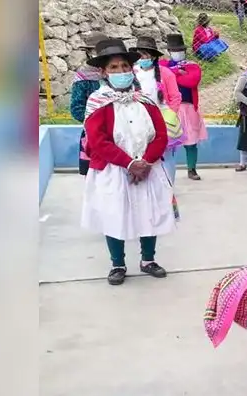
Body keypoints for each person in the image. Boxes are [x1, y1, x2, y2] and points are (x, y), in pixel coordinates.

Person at [80, 39, 176, 286]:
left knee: (149, 212)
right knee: (115, 215)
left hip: (148, 167)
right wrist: (129, 163)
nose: (121, 72)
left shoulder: (145, 99)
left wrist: (145, 162)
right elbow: (98, 141)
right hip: (114, 170)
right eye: (114, 68)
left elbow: (161, 134)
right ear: (103, 72)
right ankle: (117, 264)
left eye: (124, 66)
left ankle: (148, 259)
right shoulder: (97, 102)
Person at [132, 36, 182, 184]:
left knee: (165, 155)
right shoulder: (132, 73)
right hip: (139, 119)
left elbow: (175, 97)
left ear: (153, 56)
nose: (142, 58)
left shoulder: (165, 73)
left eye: (145, 55)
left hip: (162, 119)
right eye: (139, 55)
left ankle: (168, 185)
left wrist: (170, 117)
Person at [160, 34, 207, 181]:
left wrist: (171, 75)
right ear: (169, 51)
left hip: (188, 107)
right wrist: (178, 73)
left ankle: (191, 169)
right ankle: (166, 169)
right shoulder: (163, 65)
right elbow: (162, 76)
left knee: (191, 140)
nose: (177, 52)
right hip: (170, 108)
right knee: (168, 142)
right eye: (174, 50)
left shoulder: (192, 66)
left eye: (180, 50)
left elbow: (191, 81)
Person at [71, 32, 109, 176]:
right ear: (89, 53)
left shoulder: (117, 73)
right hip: (93, 133)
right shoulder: (83, 78)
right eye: (94, 51)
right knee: (95, 174)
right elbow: (76, 108)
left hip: (120, 132)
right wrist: (97, 124)